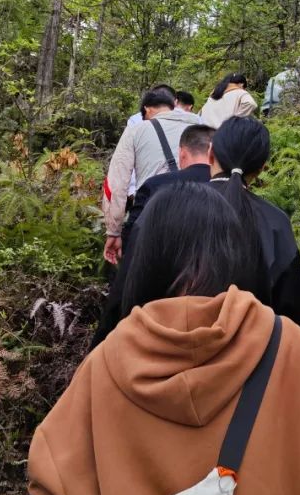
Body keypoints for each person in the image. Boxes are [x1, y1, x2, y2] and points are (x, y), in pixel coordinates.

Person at [27, 184, 300, 495]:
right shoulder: (289, 347)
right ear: (237, 254)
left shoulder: (103, 366)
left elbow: (57, 493)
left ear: (146, 260)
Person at [90, 124, 215, 348]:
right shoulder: (237, 195)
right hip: (213, 316)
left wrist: (115, 232)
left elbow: (134, 251)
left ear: (182, 153)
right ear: (215, 153)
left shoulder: (157, 187)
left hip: (157, 309)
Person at [208, 116, 300, 327]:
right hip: (255, 351)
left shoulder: (166, 207)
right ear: (262, 168)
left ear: (210, 153)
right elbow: (290, 311)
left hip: (174, 350)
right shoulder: (276, 222)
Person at [102, 87, 200, 263]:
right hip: (202, 208)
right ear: (173, 105)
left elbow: (116, 184)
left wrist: (114, 231)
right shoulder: (203, 125)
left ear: (147, 109)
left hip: (152, 211)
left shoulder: (136, 130)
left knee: (135, 278)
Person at [122, 84, 176, 200]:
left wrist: (131, 191)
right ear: (174, 102)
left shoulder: (136, 120)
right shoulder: (193, 121)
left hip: (146, 191)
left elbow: (127, 160)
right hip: (182, 192)